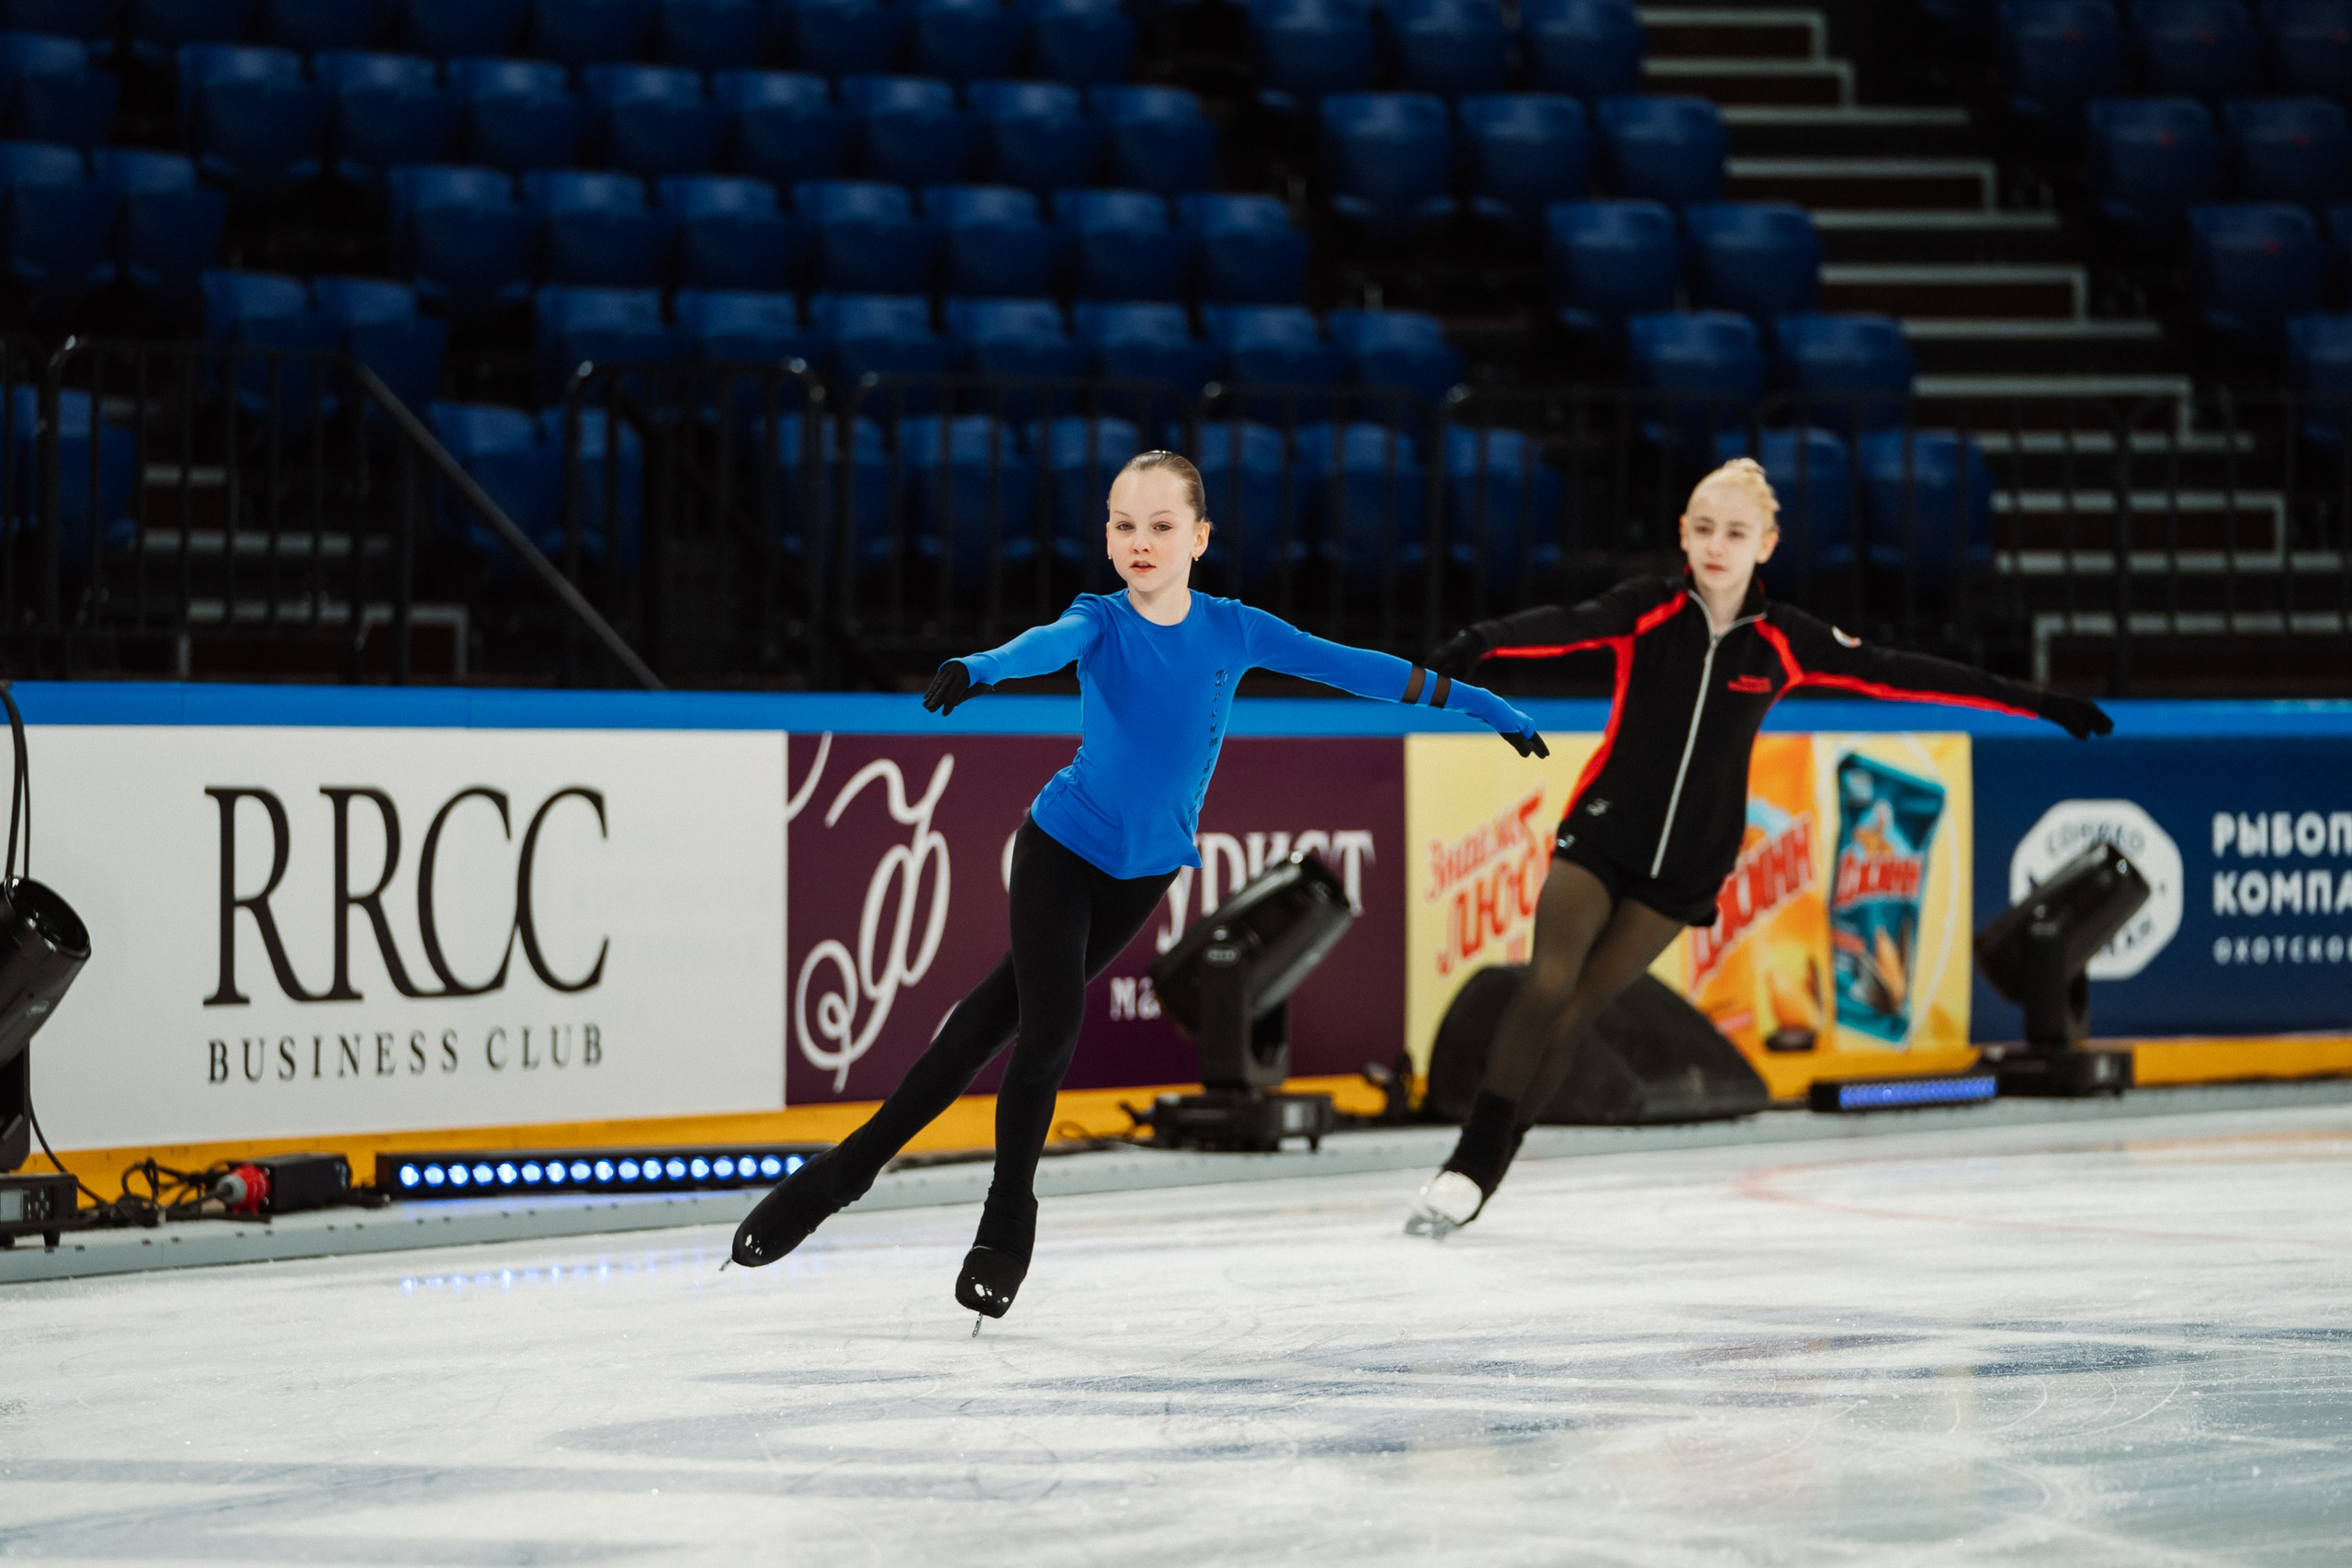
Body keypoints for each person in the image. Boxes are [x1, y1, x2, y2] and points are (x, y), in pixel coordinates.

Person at [732, 450, 1549, 1320]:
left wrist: (1482, 702)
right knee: (1049, 1029)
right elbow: (1042, 645)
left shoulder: (1235, 629)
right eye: (1124, 525)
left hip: (1142, 874)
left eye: (1161, 525)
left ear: (1200, 538)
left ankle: (841, 1172)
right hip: (1059, 848)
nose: (1141, 541)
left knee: (986, 1023)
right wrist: (980, 667)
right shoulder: (1100, 619)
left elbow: (1356, 667)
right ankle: (1006, 1219)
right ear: (1107, 537)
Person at [1405, 456, 2113, 1238]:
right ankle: (1468, 1159)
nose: (1718, 544)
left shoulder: (1784, 641)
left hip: (1688, 864)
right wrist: (1481, 642)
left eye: (1736, 532)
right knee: (1547, 980)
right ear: (1683, 533)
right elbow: (1564, 624)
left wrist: (2035, 701)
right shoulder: (1648, 609)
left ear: (1766, 544)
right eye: (1705, 528)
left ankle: (1490, 1163)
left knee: (1578, 1011)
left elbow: (1900, 672)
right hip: (1605, 828)